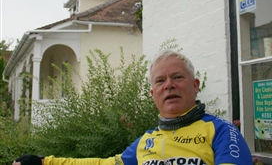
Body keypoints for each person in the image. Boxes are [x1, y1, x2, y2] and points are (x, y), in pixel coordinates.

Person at [13, 50, 253, 165]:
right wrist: (44, 162)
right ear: (152, 94)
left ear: (195, 84)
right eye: (160, 81)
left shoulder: (222, 131)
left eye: (177, 78)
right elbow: (105, 164)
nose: (169, 85)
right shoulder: (145, 141)